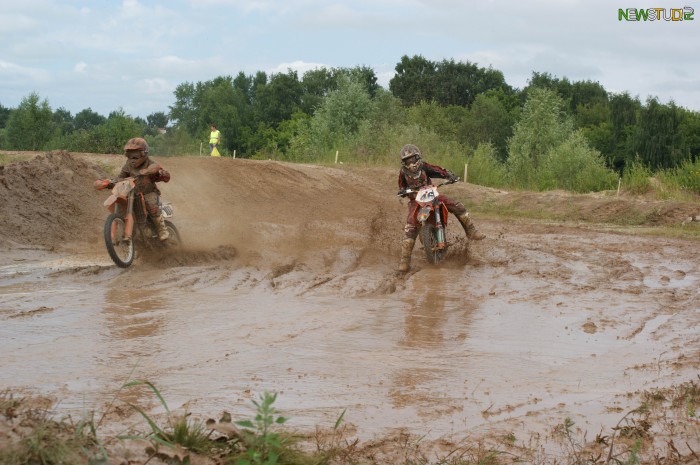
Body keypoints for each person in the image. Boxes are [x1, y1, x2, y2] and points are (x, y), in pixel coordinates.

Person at [397, 143, 485, 272]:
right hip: (416, 200)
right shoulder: (403, 173)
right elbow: (401, 186)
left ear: (418, 158)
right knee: (410, 225)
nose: (411, 163)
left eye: (413, 159)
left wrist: (449, 175)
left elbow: (438, 170)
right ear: (404, 163)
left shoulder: (424, 167)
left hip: (432, 195)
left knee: (457, 206)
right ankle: (404, 260)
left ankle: (471, 231)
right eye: (407, 161)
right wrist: (403, 191)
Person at [97, 137, 172, 241]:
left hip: (148, 193)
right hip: (131, 193)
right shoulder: (127, 166)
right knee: (121, 202)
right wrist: (109, 182)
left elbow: (165, 175)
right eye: (129, 154)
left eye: (136, 154)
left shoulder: (150, 164)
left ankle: (162, 230)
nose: (133, 158)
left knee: (152, 205)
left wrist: (158, 173)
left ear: (144, 153)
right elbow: (120, 178)